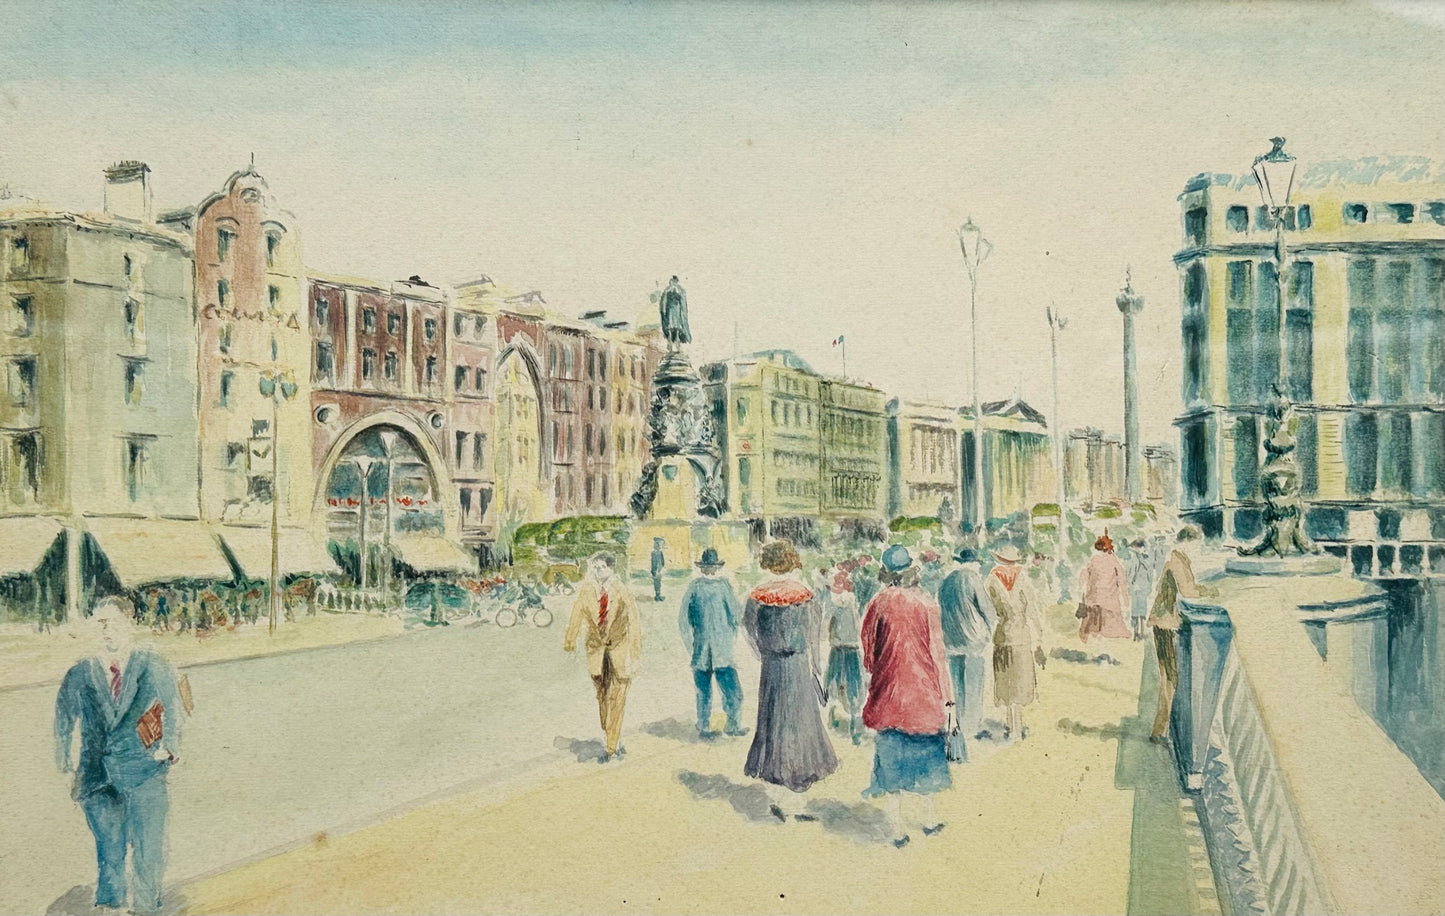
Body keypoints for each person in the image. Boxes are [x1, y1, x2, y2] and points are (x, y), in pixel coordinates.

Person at [55, 597, 185, 916]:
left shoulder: (152, 664)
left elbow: (175, 706)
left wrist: (170, 747)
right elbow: (63, 716)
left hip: (145, 774)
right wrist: (63, 760)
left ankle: (145, 907)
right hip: (97, 778)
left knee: (147, 849)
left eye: (113, 623)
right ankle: (111, 905)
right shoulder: (80, 672)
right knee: (109, 849)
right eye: (100, 623)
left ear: (131, 623)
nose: (107, 630)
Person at [861, 546, 952, 848]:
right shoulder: (927, 604)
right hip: (924, 695)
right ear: (913, 571)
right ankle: (927, 820)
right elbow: (939, 657)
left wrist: (879, 670)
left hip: (888, 694)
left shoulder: (878, 603)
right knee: (927, 761)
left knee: (890, 763)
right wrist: (948, 700)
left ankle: (897, 830)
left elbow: (869, 650)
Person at [743, 540, 838, 822]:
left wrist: (763, 652)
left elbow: (749, 631)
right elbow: (814, 638)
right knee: (799, 726)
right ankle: (797, 799)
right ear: (791, 561)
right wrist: (816, 669)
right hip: (798, 666)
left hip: (772, 666)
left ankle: (777, 797)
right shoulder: (805, 595)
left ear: (768, 564)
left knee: (772, 724)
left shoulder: (757, 596)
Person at [564, 553, 641, 763]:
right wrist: (570, 640)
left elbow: (634, 622)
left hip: (619, 650)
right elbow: (576, 615)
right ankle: (608, 732)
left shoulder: (622, 591)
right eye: (595, 567)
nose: (597, 571)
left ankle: (611, 745)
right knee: (602, 697)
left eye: (601, 567)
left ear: (611, 569)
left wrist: (634, 654)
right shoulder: (586, 591)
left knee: (617, 697)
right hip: (596, 652)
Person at [1149, 526, 1215, 744]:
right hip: (1166, 625)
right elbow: (1188, 591)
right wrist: (1210, 591)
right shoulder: (1177, 563)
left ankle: (1163, 729)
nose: (1198, 548)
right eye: (1196, 543)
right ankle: (1161, 731)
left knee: (1170, 677)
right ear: (1187, 541)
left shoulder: (1179, 561)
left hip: (1164, 624)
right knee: (1170, 678)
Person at [936, 546, 997, 759]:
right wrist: (989, 630)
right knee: (973, 683)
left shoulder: (946, 582)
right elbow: (988, 610)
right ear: (972, 563)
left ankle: (958, 723)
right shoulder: (973, 579)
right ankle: (971, 727)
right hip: (973, 640)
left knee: (956, 684)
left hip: (951, 640)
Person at [679, 548, 747, 738]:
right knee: (731, 691)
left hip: (702, 649)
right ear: (716, 567)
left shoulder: (694, 587)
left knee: (704, 692)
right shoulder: (723, 586)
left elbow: (685, 620)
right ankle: (731, 725)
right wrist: (732, 633)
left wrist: (691, 644)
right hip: (721, 650)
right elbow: (736, 615)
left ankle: (705, 726)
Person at [986, 544, 1047, 741]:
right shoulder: (1023, 577)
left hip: (1002, 635)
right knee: (1020, 680)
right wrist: (1040, 631)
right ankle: (1017, 727)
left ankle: (1009, 725)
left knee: (1005, 679)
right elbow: (1032, 608)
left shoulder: (992, 578)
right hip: (1021, 635)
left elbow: (989, 609)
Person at [821, 569, 865, 744]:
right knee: (853, 685)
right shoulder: (853, 603)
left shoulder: (833, 604)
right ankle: (853, 723)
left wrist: (830, 635)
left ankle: (833, 715)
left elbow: (826, 629)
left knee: (835, 682)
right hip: (852, 648)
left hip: (839, 649)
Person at [1077, 531, 1132, 643]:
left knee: (1094, 615)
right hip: (1108, 596)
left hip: (1096, 595)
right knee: (1106, 616)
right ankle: (1097, 635)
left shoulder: (1094, 559)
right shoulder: (1113, 560)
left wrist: (1082, 586)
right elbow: (1122, 578)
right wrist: (1125, 596)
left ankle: (1090, 635)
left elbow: (1084, 573)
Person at [1125, 538, 1153, 640]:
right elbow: (1129, 574)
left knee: (1142, 611)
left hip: (1143, 587)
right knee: (1135, 612)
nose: (1136, 550)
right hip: (1135, 588)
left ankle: (1142, 632)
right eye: (1134, 548)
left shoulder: (1146, 558)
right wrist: (1130, 585)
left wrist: (1149, 586)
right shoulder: (1132, 559)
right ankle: (1136, 633)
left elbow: (1150, 573)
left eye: (1138, 548)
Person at [650, 537, 667, 603]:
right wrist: (655, 571)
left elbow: (662, 562)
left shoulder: (660, 552)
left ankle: (658, 595)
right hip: (656, 570)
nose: (660, 546)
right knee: (657, 583)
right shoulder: (654, 553)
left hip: (659, 570)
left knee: (659, 583)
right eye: (658, 544)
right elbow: (654, 563)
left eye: (661, 544)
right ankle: (657, 596)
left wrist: (662, 568)